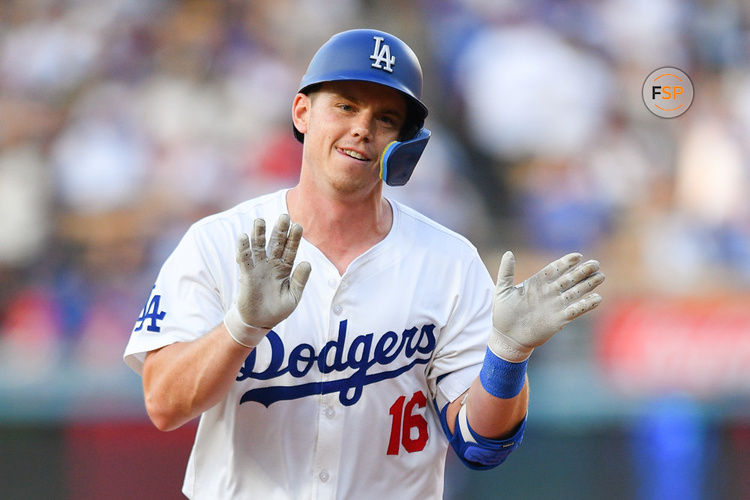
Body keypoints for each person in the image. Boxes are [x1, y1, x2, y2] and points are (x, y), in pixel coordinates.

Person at [124, 28, 604, 499]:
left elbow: (481, 446)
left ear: (404, 142)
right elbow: (164, 404)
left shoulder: (448, 262)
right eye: (346, 105)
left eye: (386, 118)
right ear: (302, 111)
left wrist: (508, 356)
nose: (362, 128)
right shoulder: (219, 242)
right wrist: (241, 326)